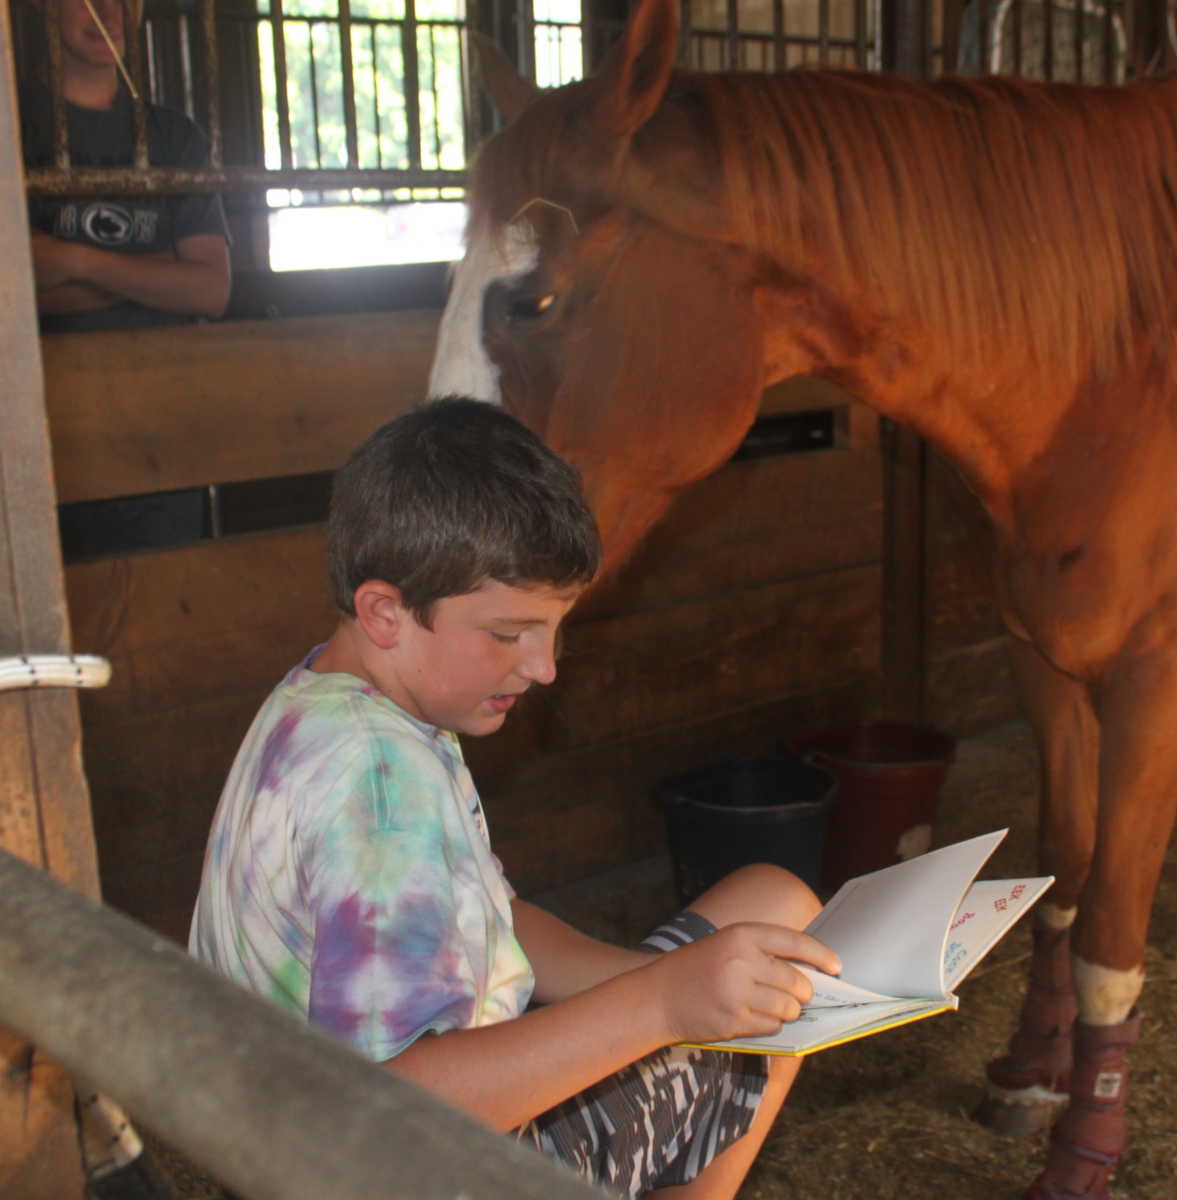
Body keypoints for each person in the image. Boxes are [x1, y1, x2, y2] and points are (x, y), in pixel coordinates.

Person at [189, 397, 839, 1198]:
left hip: (281, 1151)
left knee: (769, 907)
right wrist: (662, 1007)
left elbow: (493, 916)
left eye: (555, 627)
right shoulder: (381, 784)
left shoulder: (338, 704)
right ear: (386, 612)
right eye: (508, 635)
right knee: (759, 1011)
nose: (545, 667)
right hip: (407, 1166)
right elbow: (396, 1121)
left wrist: (658, 982)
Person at [14, 0, 231, 333]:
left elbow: (210, 290)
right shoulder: (11, 131)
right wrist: (160, 271)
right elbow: (9, 299)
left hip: (171, 372)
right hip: (48, 379)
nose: (108, 11)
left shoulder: (175, 137)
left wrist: (76, 262)